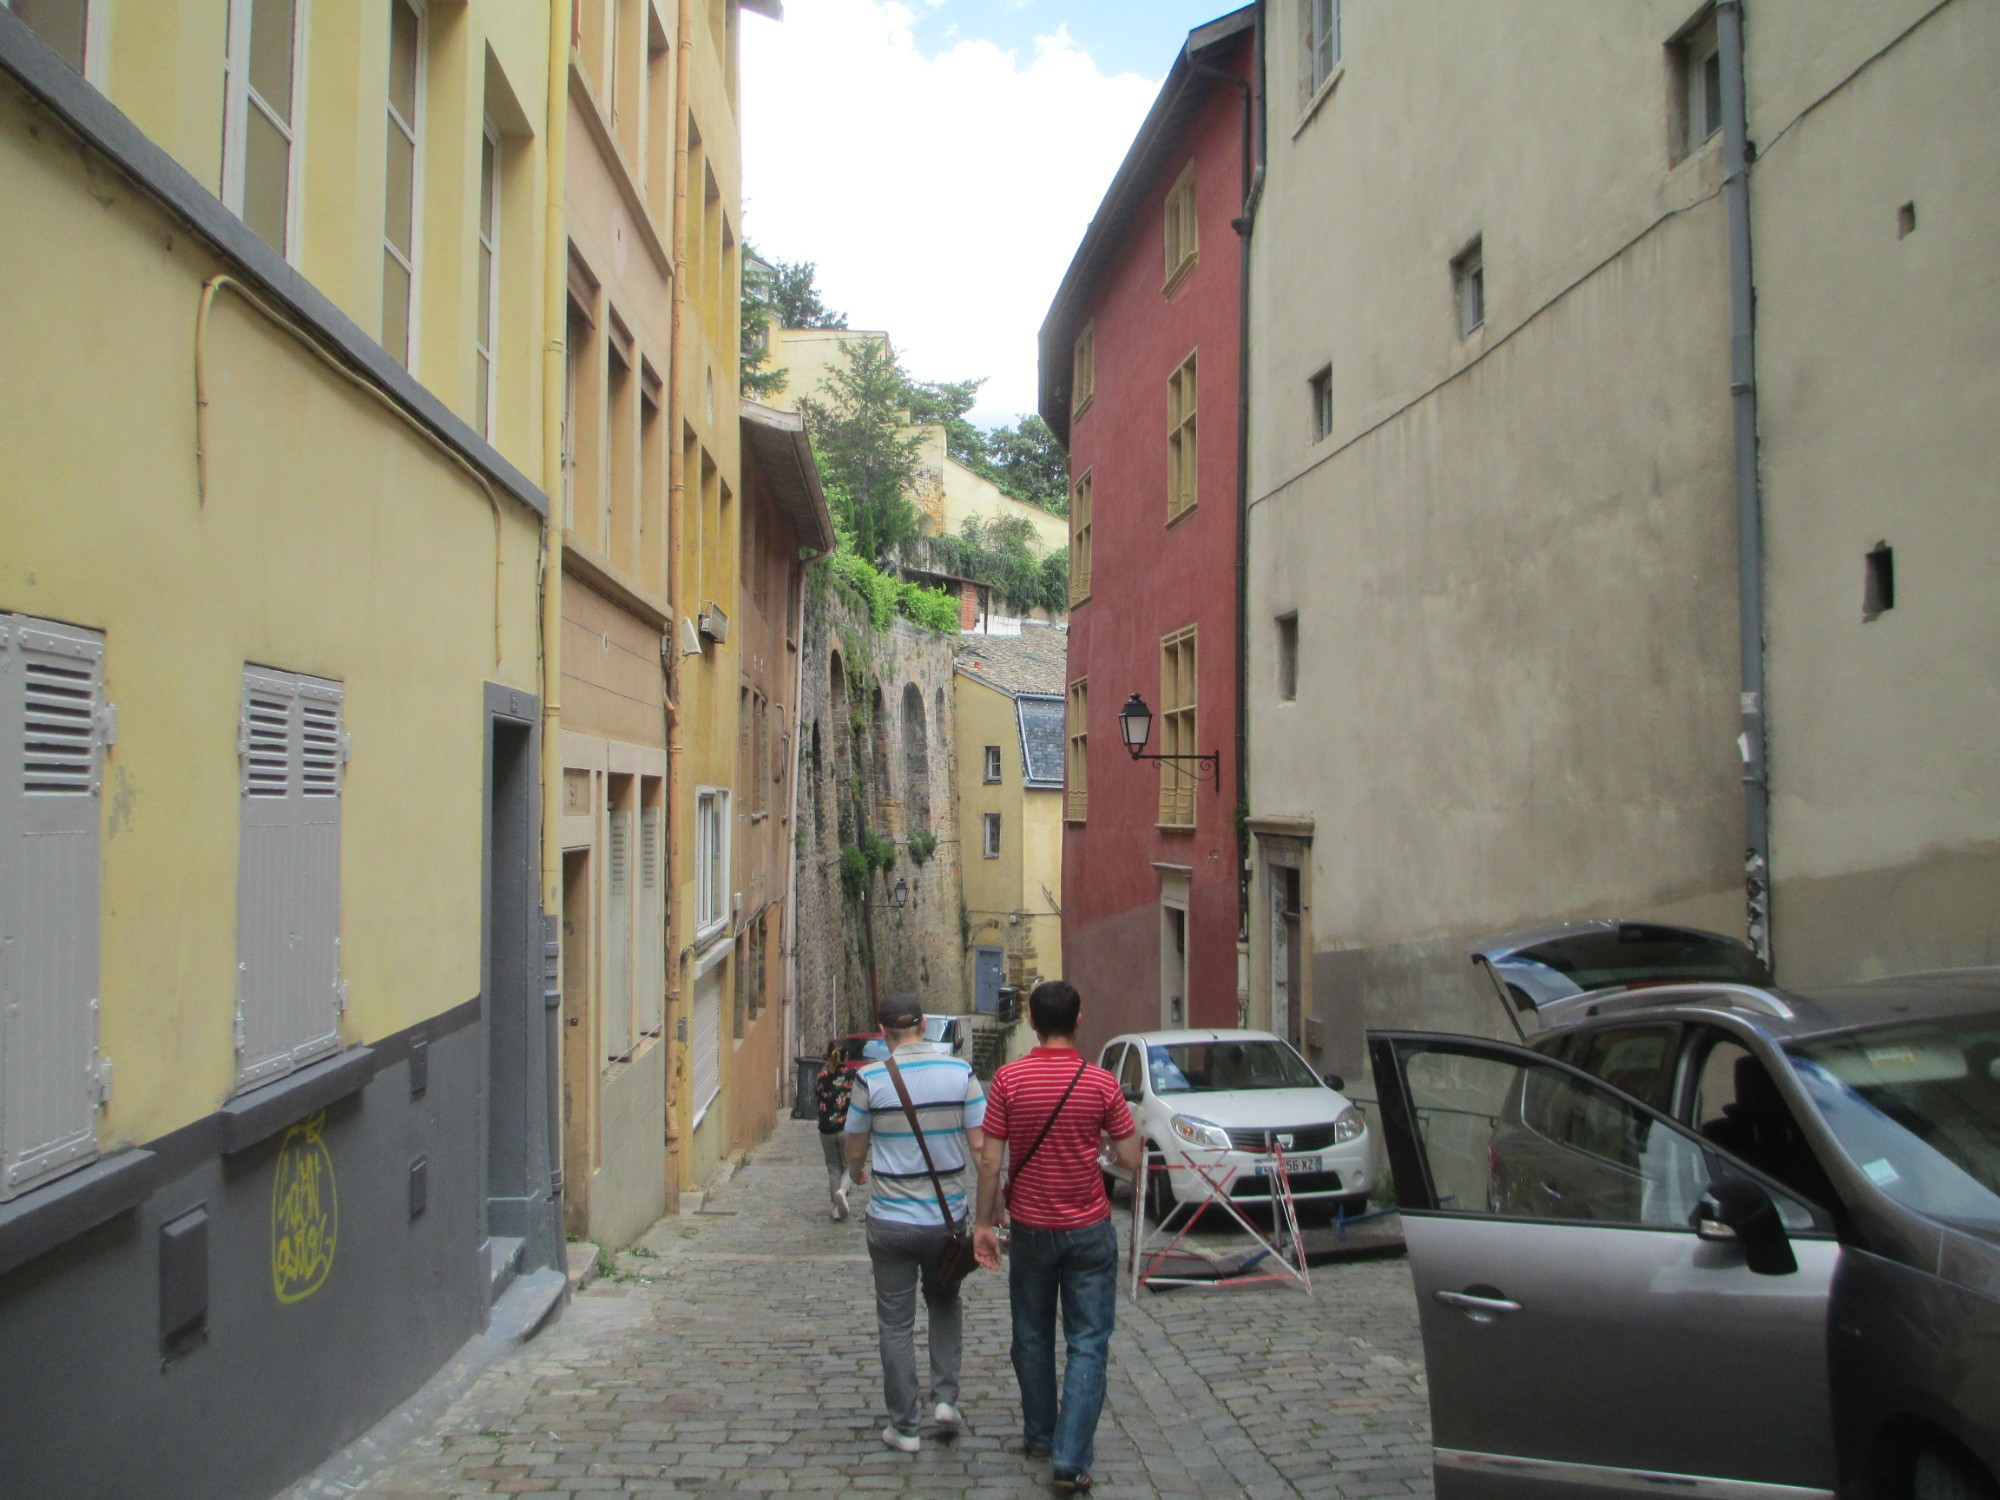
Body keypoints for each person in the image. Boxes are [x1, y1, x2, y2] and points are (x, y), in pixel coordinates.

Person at [972, 980, 1141, 1495]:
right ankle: (1070, 1459)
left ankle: (1042, 1435)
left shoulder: (1008, 1080)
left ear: (1030, 1023)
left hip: (1031, 1228)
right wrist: (1100, 1157)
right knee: (1088, 1342)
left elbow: (990, 1158)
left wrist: (984, 1223)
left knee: (1032, 1334)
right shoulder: (1101, 1084)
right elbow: (1132, 1159)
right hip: (1089, 1226)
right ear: (1079, 1020)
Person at [845, 993, 987, 1454]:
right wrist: (990, 1211)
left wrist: (855, 1172)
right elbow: (982, 1148)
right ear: (924, 1024)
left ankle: (905, 1427)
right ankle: (945, 1400)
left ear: (883, 1031)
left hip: (890, 1218)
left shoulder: (870, 1078)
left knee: (895, 1322)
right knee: (945, 1302)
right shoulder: (961, 1073)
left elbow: (855, 1142)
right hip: (946, 1217)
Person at [814, 1041, 854, 1221]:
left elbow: (818, 1098)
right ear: (846, 1056)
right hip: (846, 1127)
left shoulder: (821, 1077)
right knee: (850, 1166)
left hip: (826, 1128)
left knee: (832, 1167)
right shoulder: (853, 1076)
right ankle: (843, 1191)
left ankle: (836, 1207)